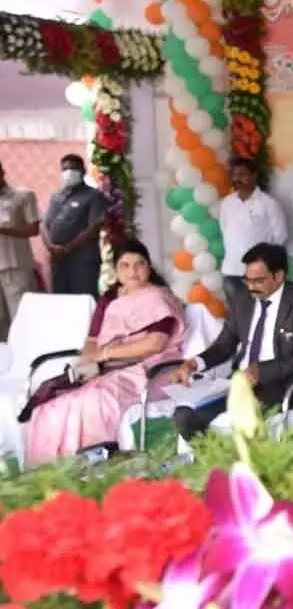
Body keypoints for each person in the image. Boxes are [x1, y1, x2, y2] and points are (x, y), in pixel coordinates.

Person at [21, 240, 186, 465]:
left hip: (150, 367)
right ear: (116, 270)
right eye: (125, 265)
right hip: (108, 367)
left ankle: (99, 466)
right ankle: (55, 468)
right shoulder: (109, 298)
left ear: (149, 267)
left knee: (96, 400)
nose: (133, 271)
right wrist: (85, 363)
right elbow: (92, 341)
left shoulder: (158, 298)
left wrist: (106, 355)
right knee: (55, 403)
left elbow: (155, 344)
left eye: (139, 264)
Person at [170, 242, 293, 440]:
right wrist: (194, 363)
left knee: (237, 422)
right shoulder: (243, 299)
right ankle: (213, 465)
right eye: (247, 280)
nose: (251, 287)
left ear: (278, 277)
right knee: (184, 416)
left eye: (258, 281)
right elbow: (225, 344)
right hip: (239, 383)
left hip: (278, 385)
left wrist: (261, 370)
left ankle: (237, 465)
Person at [218, 158, 288, 300]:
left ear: (254, 176)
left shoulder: (268, 204)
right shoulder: (227, 203)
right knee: (238, 316)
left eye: (242, 174)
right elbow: (224, 230)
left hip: (259, 274)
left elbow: (280, 237)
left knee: (261, 315)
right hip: (231, 270)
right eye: (234, 175)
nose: (237, 178)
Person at [42, 153, 107, 296]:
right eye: (64, 170)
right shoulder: (56, 196)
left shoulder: (93, 196)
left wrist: (67, 248)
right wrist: (51, 248)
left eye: (73, 169)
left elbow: (94, 228)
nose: (68, 173)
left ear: (83, 171)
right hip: (58, 261)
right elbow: (44, 225)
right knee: (61, 302)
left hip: (82, 261)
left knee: (83, 301)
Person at [0, 160, 40, 341]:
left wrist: (3, 229)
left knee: (20, 317)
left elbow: (33, 229)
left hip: (16, 266)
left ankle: (25, 361)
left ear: (2, 172)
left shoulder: (23, 196)